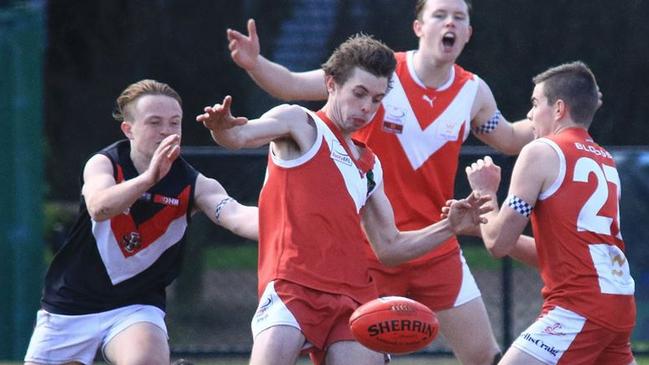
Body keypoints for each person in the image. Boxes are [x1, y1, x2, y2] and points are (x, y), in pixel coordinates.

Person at [224, 0, 537, 363]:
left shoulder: (473, 92)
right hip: (371, 248)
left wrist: (554, 112)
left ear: (468, 32)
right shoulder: (380, 75)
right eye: (439, 14)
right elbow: (292, 85)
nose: (449, 22)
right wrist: (254, 63)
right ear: (418, 26)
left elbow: (512, 138)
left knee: (485, 355)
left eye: (459, 17)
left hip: (434, 243)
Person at [24, 79, 258, 365]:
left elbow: (235, 215)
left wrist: (289, 224)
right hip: (70, 304)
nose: (166, 131)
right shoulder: (104, 163)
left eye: (175, 123)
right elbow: (99, 207)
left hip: (135, 307)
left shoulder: (194, 184)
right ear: (128, 129)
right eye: (154, 122)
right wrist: (149, 179)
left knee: (144, 359)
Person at [464, 61, 637, 364]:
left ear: (558, 109)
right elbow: (552, 253)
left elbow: (498, 244)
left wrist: (484, 193)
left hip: (579, 308)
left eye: (534, 103)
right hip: (618, 305)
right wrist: (480, 225)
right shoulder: (605, 160)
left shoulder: (540, 151)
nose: (529, 115)